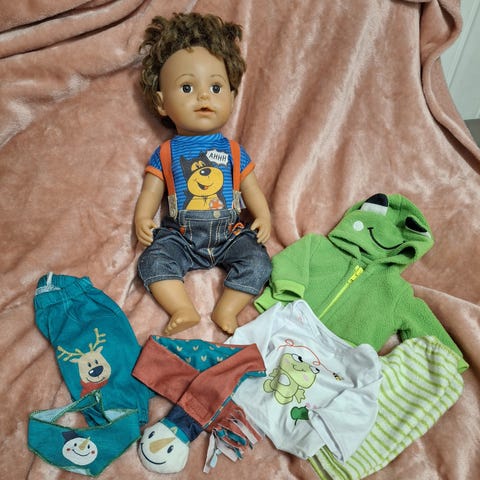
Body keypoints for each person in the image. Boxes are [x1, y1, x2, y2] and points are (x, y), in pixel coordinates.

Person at [134, 13, 272, 335]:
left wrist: (263, 215)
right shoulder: (165, 153)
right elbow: (151, 191)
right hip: (181, 236)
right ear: (161, 103)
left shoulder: (234, 151)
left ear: (232, 97)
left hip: (230, 233)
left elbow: (251, 189)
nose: (204, 96)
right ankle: (182, 308)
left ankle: (228, 308)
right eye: (187, 87)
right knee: (152, 261)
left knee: (259, 262)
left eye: (215, 86)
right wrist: (142, 218)